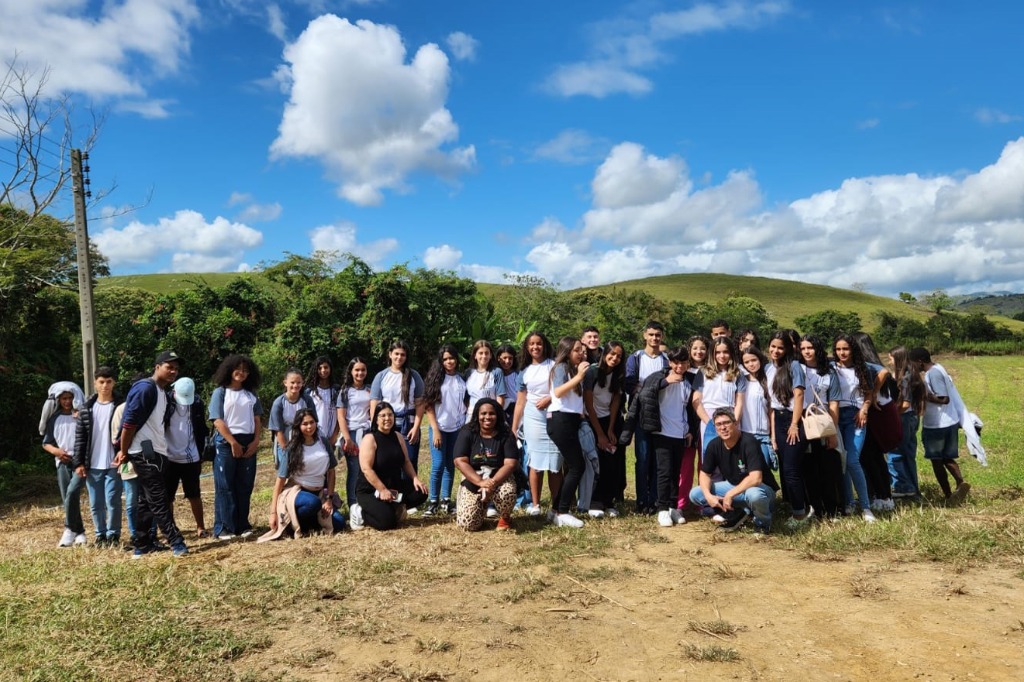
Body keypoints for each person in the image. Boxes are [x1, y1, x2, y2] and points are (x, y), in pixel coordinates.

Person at [115, 351, 189, 557]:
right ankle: (176, 542)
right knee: (158, 498)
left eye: (176, 368)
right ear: (157, 367)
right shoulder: (146, 388)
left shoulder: (161, 392)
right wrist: (123, 451)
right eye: (169, 367)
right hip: (144, 451)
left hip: (155, 450)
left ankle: (142, 543)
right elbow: (129, 423)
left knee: (145, 500)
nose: (173, 371)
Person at [689, 407, 776, 533]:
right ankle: (737, 513)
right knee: (696, 494)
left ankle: (762, 524)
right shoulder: (714, 445)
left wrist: (730, 494)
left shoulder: (749, 441)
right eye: (718, 424)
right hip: (735, 487)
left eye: (726, 423)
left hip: (761, 490)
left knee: (754, 495)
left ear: (736, 423)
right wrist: (709, 496)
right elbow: (704, 474)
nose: (723, 427)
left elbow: (756, 478)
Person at [633, 347, 693, 527]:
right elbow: (646, 392)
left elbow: (688, 407)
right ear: (670, 362)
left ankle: (673, 507)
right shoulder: (659, 376)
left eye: (683, 362)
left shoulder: (689, 381)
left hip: (680, 433)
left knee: (676, 472)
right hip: (663, 432)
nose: (680, 366)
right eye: (676, 362)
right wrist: (666, 382)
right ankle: (662, 509)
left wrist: (689, 430)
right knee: (664, 472)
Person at [264, 408, 346, 538]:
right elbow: (280, 480)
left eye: (312, 422)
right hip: (297, 492)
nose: (309, 427)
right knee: (312, 503)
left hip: (319, 492)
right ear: (298, 426)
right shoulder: (291, 448)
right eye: (305, 424)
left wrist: (329, 499)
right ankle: (292, 523)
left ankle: (310, 523)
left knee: (339, 523)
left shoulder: (323, 442)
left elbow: (331, 472)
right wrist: (273, 512)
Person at [208, 353, 264, 540]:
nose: (241, 373)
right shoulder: (220, 392)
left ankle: (242, 525)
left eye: (245, 370)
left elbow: (257, 419)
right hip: (226, 443)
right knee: (225, 485)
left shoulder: (251, 394)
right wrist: (232, 442)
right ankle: (224, 527)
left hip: (249, 442)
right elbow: (217, 420)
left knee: (244, 485)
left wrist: (256, 441)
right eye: (238, 369)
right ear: (229, 370)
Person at [351, 402, 429, 531]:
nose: (387, 418)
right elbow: (366, 469)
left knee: (421, 492)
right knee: (387, 523)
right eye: (383, 416)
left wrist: (415, 478)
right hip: (371, 490)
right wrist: (382, 490)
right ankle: (360, 513)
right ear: (376, 419)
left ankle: (393, 507)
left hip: (393, 486)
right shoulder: (370, 439)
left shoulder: (398, 437)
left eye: (390, 415)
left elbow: (406, 462)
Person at [909, 347, 971, 504]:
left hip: (938, 424)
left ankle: (948, 496)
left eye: (913, 364)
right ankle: (960, 484)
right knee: (946, 457)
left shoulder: (933, 373)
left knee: (937, 460)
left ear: (920, 362)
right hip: (948, 422)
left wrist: (923, 395)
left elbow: (944, 399)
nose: (913, 367)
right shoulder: (939, 368)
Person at [72, 367, 123, 547]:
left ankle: (114, 535)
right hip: (92, 463)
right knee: (96, 503)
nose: (105, 386)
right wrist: (78, 462)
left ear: (114, 382)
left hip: (113, 462)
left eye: (108, 382)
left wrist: (123, 452)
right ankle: (100, 534)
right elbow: (80, 438)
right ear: (95, 383)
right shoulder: (87, 409)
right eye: (101, 382)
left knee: (113, 500)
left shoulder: (120, 406)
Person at [511, 332, 559, 517]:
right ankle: (536, 504)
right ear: (527, 347)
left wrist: (549, 398)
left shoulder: (555, 367)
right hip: (533, 419)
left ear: (544, 345)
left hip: (554, 416)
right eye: (531, 344)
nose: (535, 347)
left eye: (538, 344)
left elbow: (562, 389)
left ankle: (556, 505)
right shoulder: (524, 372)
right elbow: (520, 402)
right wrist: (514, 428)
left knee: (555, 462)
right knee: (535, 462)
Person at [453, 398, 520, 531]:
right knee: (467, 524)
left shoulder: (506, 434)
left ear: (498, 415)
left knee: (507, 492)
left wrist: (492, 482)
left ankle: (505, 517)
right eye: (483, 414)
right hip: (474, 478)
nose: (487, 417)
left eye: (492, 413)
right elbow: (459, 461)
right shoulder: (467, 431)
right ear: (477, 415)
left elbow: (511, 463)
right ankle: (481, 507)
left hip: (499, 478)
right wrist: (480, 482)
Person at [767, 331, 813, 523]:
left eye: (780, 347)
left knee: (791, 470)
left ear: (787, 349)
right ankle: (796, 506)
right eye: (773, 346)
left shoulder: (794, 366)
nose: (776, 351)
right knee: (786, 468)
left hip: (793, 420)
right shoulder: (769, 368)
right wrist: (773, 435)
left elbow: (799, 396)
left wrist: (794, 425)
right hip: (778, 419)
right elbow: (771, 403)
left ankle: (799, 513)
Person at [623, 321, 669, 514]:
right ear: (645, 335)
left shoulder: (666, 359)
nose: (654, 338)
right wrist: (653, 387)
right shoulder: (635, 358)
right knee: (642, 458)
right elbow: (629, 384)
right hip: (641, 415)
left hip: (662, 414)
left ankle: (656, 501)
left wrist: (646, 387)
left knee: (657, 461)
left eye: (658, 335)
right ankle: (642, 501)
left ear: (662, 337)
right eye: (651, 334)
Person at [546, 336, 590, 528]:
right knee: (577, 466)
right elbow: (557, 392)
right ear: (567, 352)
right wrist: (579, 377)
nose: (581, 353)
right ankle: (563, 511)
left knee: (573, 466)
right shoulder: (561, 368)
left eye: (582, 350)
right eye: (577, 350)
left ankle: (556, 510)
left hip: (570, 420)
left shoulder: (572, 369)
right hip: (560, 420)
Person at [832, 334, 877, 522]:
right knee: (841, 461)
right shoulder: (831, 368)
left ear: (853, 350)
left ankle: (866, 507)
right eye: (838, 349)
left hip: (855, 417)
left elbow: (869, 394)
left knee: (852, 460)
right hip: (835, 416)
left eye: (846, 349)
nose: (842, 353)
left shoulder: (863, 368)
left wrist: (865, 409)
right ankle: (849, 502)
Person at [798, 335, 843, 519]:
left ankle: (833, 509)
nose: (807, 352)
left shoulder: (829, 372)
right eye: (803, 348)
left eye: (810, 347)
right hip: (804, 423)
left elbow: (833, 404)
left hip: (824, 423)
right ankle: (815, 508)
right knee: (809, 469)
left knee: (829, 468)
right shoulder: (798, 369)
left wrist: (832, 432)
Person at [423, 344, 468, 516]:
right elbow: (428, 406)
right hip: (439, 428)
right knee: (438, 464)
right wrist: (435, 429)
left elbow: (464, 402)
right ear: (441, 361)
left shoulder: (461, 379)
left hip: (456, 428)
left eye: (452, 358)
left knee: (451, 465)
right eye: (446, 359)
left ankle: (446, 500)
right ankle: (432, 501)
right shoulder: (436, 378)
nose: (449, 361)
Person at [369, 340, 425, 475]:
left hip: (408, 425)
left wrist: (416, 427)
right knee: (388, 461)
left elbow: (420, 403)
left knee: (410, 460)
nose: (399, 357)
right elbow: (374, 403)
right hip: (387, 425)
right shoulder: (381, 376)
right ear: (390, 354)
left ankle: (410, 493)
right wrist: (375, 428)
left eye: (403, 355)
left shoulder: (414, 376)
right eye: (396, 354)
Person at [164, 377, 210, 538]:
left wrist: (203, 449)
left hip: (191, 456)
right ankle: (171, 528)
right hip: (169, 456)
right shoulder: (165, 402)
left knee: (194, 493)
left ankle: (201, 527)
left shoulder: (196, 404)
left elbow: (202, 427)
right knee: (168, 495)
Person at [583, 342, 626, 517]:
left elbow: (616, 401)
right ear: (605, 353)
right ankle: (594, 502)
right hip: (592, 420)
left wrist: (610, 430)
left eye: (619, 356)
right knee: (596, 462)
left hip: (610, 420)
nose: (614, 358)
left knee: (611, 463)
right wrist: (600, 433)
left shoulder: (618, 374)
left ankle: (609, 502)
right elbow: (588, 403)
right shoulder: (593, 372)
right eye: (612, 354)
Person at [42, 387, 86, 547]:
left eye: (70, 398)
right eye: (64, 399)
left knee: (72, 492)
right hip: (62, 462)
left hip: (80, 462)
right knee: (68, 497)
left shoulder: (81, 416)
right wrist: (57, 451)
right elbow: (46, 442)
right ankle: (79, 532)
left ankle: (69, 529)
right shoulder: (54, 419)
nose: (67, 402)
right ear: (59, 400)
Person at [692, 336, 747, 452]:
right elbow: (696, 401)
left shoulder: (738, 373)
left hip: (730, 418)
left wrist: (734, 422)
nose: (722, 356)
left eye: (725, 352)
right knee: (710, 458)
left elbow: (740, 402)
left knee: (732, 457)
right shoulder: (703, 372)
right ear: (712, 354)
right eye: (718, 352)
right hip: (709, 418)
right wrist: (709, 423)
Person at [887, 346, 924, 499]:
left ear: (897, 358)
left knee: (894, 453)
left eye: (890, 358)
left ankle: (903, 486)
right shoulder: (913, 374)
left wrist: (892, 415)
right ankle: (913, 488)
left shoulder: (904, 377)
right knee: (909, 454)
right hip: (912, 417)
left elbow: (905, 403)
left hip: (903, 418)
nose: (888, 361)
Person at [336, 357, 372, 508]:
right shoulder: (345, 391)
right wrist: (347, 438)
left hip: (367, 432)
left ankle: (366, 500)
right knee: (355, 469)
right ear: (351, 371)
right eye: (357, 370)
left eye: (363, 370)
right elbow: (341, 416)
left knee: (368, 468)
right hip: (351, 434)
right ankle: (353, 503)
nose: (360, 373)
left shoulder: (370, 389)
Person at [268, 368, 315, 466]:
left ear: (302, 383)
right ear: (285, 383)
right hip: (285, 439)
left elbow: (313, 421)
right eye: (292, 382)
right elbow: (278, 430)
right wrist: (285, 449)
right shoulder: (278, 403)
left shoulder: (307, 400)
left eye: (298, 382)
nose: (295, 385)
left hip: (304, 438)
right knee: (286, 470)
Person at [464, 339, 506, 417]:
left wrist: (497, 415)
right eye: (480, 353)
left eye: (486, 353)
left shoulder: (496, 372)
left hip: (489, 416)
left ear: (490, 356)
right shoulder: (468, 373)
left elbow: (500, 398)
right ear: (475, 356)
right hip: (471, 415)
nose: (484, 356)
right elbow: (466, 398)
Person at [305, 355, 341, 445]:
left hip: (332, 437)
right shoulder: (310, 391)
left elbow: (340, 415)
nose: (323, 370)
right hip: (314, 437)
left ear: (330, 369)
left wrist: (334, 436)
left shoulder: (337, 390)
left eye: (326, 367)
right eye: (320, 368)